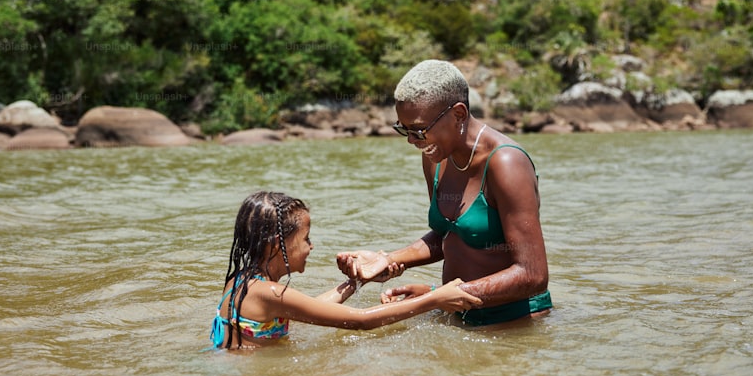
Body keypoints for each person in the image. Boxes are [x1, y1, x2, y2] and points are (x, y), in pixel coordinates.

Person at [337, 59, 551, 326]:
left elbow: (532, 274)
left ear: (459, 114)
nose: (411, 141)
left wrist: (434, 298)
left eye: (419, 130)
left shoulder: (506, 163)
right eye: (404, 129)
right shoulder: (435, 156)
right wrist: (388, 260)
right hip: (458, 315)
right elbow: (448, 234)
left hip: (513, 324)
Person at [210, 190, 481, 349]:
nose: (311, 246)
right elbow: (359, 320)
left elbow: (311, 307)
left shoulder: (243, 281)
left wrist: (356, 283)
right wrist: (435, 298)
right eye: (305, 239)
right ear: (275, 245)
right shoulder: (268, 292)